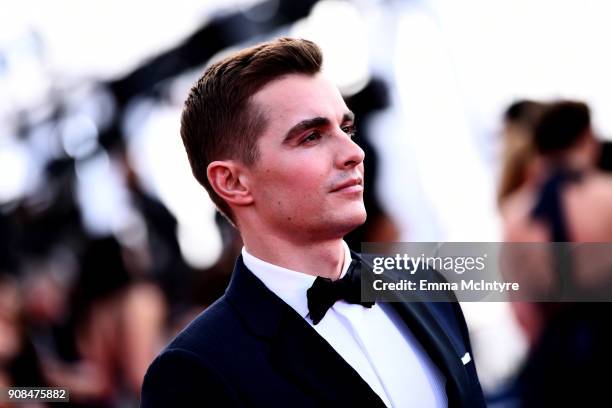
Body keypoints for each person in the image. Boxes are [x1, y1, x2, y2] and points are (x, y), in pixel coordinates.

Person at [140, 37, 484, 407]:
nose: (354, 152)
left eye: (346, 129)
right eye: (312, 136)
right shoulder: (197, 370)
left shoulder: (427, 285)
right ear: (233, 182)